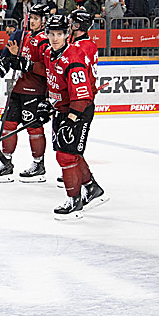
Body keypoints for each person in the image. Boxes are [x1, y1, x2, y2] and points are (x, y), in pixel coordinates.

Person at [42, 14, 105, 219]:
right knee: (70, 153)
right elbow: (54, 83)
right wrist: (47, 103)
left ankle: (74, 201)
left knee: (66, 155)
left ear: (67, 34)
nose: (54, 38)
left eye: (59, 34)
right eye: (51, 34)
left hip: (78, 111)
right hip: (63, 110)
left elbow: (82, 95)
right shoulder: (49, 54)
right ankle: (91, 187)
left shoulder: (73, 58)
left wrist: (71, 120)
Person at [0, 3, 51, 183]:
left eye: (36, 18)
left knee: (33, 128)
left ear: (44, 21)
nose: (32, 21)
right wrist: (11, 59)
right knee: (8, 125)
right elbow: (14, 56)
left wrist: (25, 64)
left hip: (35, 90)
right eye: (31, 18)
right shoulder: (24, 36)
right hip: (17, 88)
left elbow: (48, 68)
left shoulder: (46, 41)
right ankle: (6, 162)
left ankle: (38, 164)